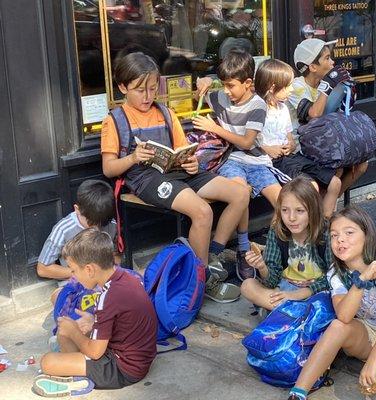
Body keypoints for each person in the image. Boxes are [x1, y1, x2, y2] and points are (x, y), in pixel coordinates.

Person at [101, 52, 246, 303]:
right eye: (139, 90)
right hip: (144, 177)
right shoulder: (114, 120)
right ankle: (199, 280)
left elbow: (182, 149)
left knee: (240, 192)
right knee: (202, 212)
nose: (148, 96)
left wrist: (192, 162)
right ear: (122, 87)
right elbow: (109, 168)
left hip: (176, 171)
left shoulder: (166, 113)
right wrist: (134, 158)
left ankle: (212, 254)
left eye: (152, 88)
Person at [287, 205, 376, 400]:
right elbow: (344, 316)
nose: (340, 239)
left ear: (367, 236)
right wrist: (362, 280)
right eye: (334, 235)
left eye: (349, 232)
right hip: (366, 334)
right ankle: (298, 393)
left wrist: (374, 360)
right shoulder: (336, 272)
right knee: (337, 326)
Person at [34, 229, 157, 397]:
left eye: (73, 270)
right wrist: (92, 321)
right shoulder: (124, 278)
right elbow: (121, 319)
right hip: (138, 357)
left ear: (89, 270)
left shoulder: (108, 296)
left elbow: (95, 352)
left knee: (48, 362)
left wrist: (75, 332)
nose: (73, 276)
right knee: (64, 334)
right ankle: (76, 365)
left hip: (123, 368)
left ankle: (79, 381)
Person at [193, 49, 282, 281]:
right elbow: (197, 95)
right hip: (231, 160)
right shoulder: (222, 96)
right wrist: (203, 82)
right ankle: (240, 249)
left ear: (248, 83)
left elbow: (246, 142)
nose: (226, 91)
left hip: (256, 160)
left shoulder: (258, 105)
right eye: (223, 85)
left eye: (231, 85)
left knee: (282, 201)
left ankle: (271, 250)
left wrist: (215, 128)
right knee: (240, 191)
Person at [286, 38, 368, 213]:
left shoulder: (327, 84)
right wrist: (328, 85)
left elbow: (338, 116)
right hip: (301, 145)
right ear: (312, 67)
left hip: (326, 141)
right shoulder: (295, 87)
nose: (332, 63)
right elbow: (314, 115)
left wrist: (346, 90)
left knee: (362, 164)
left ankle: (325, 206)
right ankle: (323, 212)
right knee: (335, 168)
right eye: (327, 58)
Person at [254, 58, 342, 218]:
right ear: (273, 87)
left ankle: (324, 227)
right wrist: (267, 149)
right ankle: (311, 232)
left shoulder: (282, 108)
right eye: (287, 86)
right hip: (272, 162)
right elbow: (247, 140)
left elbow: (290, 138)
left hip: (291, 157)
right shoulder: (256, 109)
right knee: (311, 187)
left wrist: (290, 144)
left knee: (335, 183)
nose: (291, 89)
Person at [240, 176, 332, 310]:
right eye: (285, 210)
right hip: (285, 287)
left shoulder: (326, 232)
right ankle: (295, 313)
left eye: (299, 211)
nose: (291, 218)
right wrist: (262, 267)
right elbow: (271, 281)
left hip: (317, 290)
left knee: (332, 299)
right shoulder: (277, 231)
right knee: (247, 286)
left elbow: (336, 276)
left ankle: (285, 312)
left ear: (313, 210)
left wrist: (300, 294)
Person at [37, 179, 118, 305]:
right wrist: (80, 273)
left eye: (101, 224)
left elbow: (115, 257)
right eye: (91, 224)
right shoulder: (63, 229)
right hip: (75, 283)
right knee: (61, 299)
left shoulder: (111, 224)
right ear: (77, 209)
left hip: (104, 281)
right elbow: (43, 268)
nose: (96, 229)